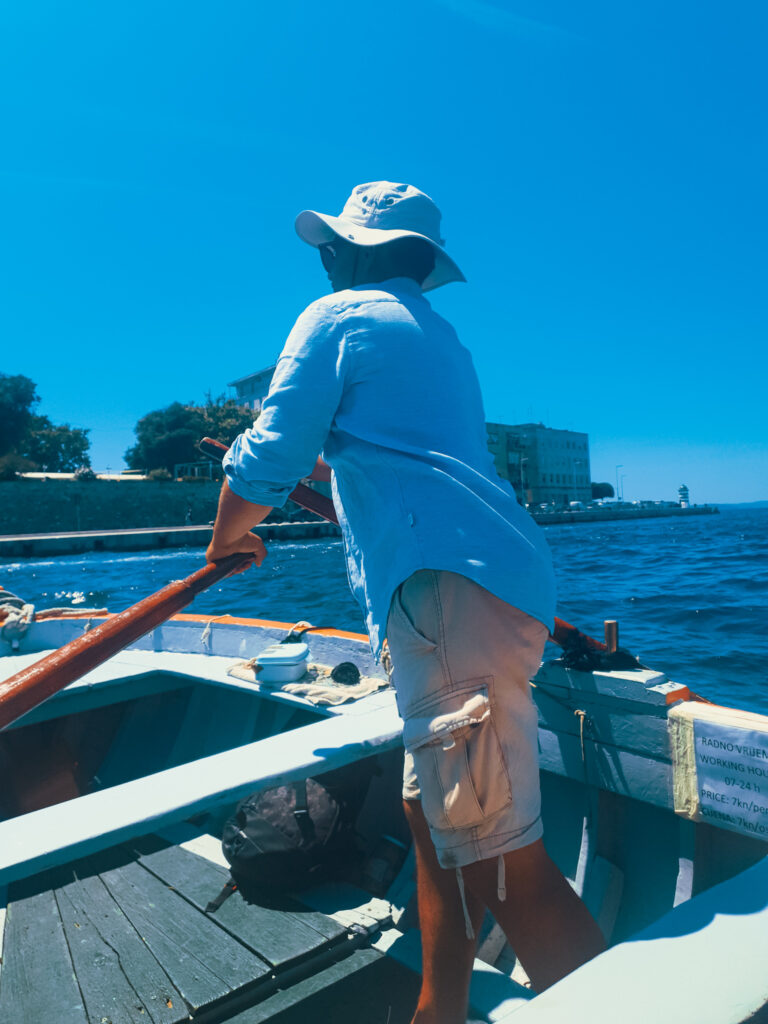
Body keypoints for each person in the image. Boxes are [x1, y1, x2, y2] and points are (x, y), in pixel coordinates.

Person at [206, 181, 605, 1024]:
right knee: (435, 822)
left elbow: (270, 453)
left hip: (448, 596)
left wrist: (227, 535)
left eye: (331, 251)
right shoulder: (438, 339)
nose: (325, 265)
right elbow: (388, 459)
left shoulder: (340, 316)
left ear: (353, 253)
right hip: (490, 588)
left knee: (503, 862)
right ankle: (439, 1009)